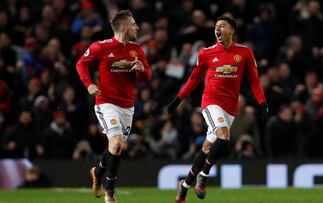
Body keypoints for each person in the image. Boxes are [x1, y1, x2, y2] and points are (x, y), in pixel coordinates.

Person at [167, 15, 268, 203]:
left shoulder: (245, 53)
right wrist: (177, 100)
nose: (217, 29)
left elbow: (253, 80)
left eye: (222, 26)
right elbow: (194, 79)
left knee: (208, 146)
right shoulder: (206, 53)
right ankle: (203, 178)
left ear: (232, 30)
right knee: (224, 136)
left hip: (230, 108)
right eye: (215, 26)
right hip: (211, 102)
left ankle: (184, 186)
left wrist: (262, 102)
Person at [76, 10, 151, 203]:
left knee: (115, 148)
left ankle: (98, 172)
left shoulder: (137, 49)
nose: (137, 27)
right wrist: (89, 84)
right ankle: (110, 192)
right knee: (117, 142)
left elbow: (147, 77)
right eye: (134, 24)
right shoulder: (101, 47)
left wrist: (142, 71)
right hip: (106, 103)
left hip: (127, 106)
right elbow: (81, 64)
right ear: (124, 28)